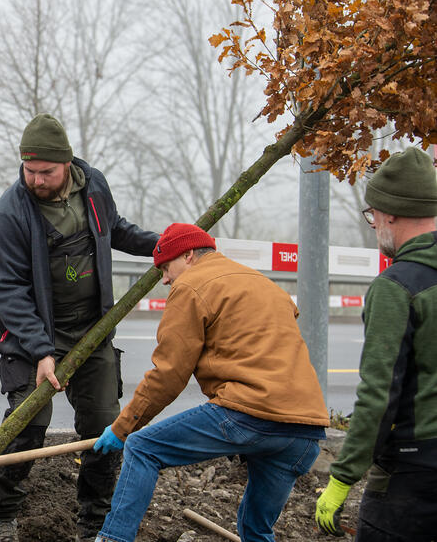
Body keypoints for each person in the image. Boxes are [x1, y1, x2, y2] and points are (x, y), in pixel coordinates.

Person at [0, 113, 159, 542]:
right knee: (28, 425)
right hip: (30, 339)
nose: (37, 180)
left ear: (67, 164)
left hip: (92, 330)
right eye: (29, 170)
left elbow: (112, 229)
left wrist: (161, 244)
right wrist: (42, 351)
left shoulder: (93, 184)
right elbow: (7, 292)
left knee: (103, 426)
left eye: (47, 171)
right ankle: (1, 515)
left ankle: (94, 523)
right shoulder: (9, 215)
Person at [92, 223, 330, 542]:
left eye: (165, 267)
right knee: (256, 530)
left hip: (247, 414)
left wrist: (123, 428)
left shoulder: (191, 285)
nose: (164, 278)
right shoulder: (266, 285)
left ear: (188, 255)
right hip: (303, 431)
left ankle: (112, 539)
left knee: (142, 448)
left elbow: (169, 374)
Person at [314, 147, 437, 540]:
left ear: (390, 214)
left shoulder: (397, 287)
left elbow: (378, 396)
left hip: (413, 474)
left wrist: (341, 480)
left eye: (373, 215)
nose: (374, 225)